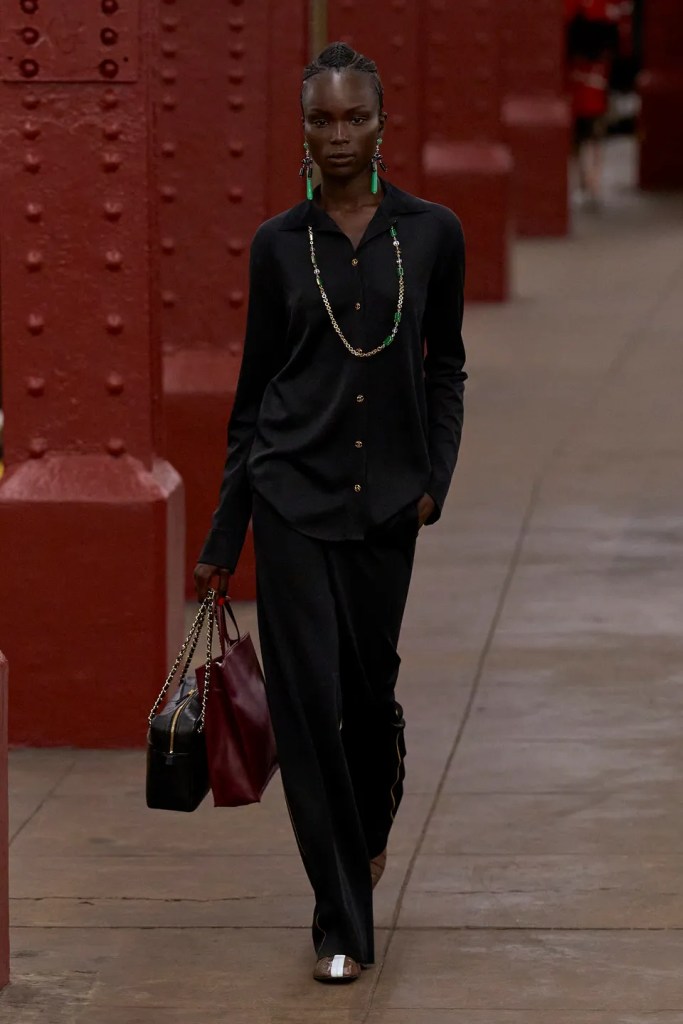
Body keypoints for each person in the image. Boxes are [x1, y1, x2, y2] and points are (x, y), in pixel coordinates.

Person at [194, 42, 466, 984]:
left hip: (388, 504)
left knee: (366, 700)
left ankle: (372, 815)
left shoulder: (431, 234)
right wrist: (224, 534)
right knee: (307, 711)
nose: (338, 135)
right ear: (302, 130)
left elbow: (445, 366)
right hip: (291, 497)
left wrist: (433, 479)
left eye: (355, 117)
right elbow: (253, 395)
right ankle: (340, 922)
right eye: (321, 119)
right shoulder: (278, 245)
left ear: (382, 124)